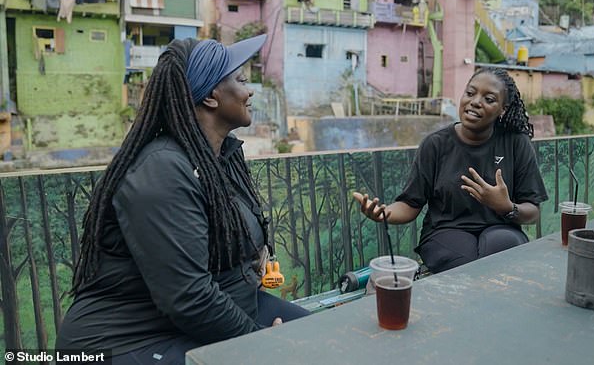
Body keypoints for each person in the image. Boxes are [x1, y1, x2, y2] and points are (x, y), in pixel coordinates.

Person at [56, 34, 309, 364]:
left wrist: (255, 251)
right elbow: (188, 297)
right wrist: (256, 342)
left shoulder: (221, 156)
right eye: (241, 80)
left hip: (216, 311)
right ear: (211, 97)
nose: (250, 91)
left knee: (325, 340)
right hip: (129, 341)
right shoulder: (162, 170)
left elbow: (229, 228)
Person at [353, 67, 548, 274]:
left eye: (489, 99)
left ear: (503, 109)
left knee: (502, 250)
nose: (475, 102)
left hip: (502, 229)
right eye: (470, 93)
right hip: (445, 231)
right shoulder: (435, 145)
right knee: (467, 267)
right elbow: (411, 203)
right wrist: (385, 213)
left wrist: (507, 207)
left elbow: (532, 211)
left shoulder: (516, 143)